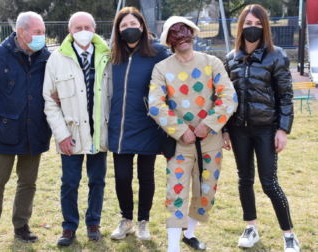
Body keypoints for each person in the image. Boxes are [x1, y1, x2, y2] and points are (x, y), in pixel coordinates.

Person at [148, 16, 237, 251]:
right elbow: (156, 104)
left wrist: (207, 124)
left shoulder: (212, 62)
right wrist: (179, 131)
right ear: (169, 40)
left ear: (193, 33)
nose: (181, 37)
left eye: (184, 31)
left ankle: (189, 232)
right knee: (175, 191)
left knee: (206, 192)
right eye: (174, 33)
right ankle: (173, 247)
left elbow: (229, 97)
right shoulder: (162, 69)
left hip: (211, 142)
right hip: (179, 145)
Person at [0, 11, 51, 251]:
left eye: (43, 32)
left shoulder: (47, 58)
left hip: (35, 132)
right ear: (22, 32)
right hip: (4, 132)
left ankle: (21, 226)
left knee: (28, 183)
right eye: (38, 32)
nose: (42, 37)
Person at [223, 4, 300, 252]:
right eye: (248, 24)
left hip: (266, 129)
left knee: (269, 183)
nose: (252, 28)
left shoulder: (276, 55)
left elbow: (285, 96)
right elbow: (224, 97)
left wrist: (283, 129)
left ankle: (288, 234)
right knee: (244, 179)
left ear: (264, 26)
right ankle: (250, 227)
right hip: (238, 130)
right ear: (241, 27)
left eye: (257, 24)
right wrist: (225, 129)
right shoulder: (230, 58)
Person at [42, 11, 111, 246]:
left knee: (97, 181)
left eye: (87, 27)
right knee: (69, 182)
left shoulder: (107, 56)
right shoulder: (57, 59)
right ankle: (69, 227)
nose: (83, 31)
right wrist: (61, 135)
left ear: (94, 28)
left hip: (99, 132)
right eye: (77, 27)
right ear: (69, 31)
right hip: (70, 134)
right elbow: (49, 101)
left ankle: (93, 222)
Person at [108, 6, 170, 241]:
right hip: (120, 126)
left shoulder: (158, 53)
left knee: (146, 176)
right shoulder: (114, 54)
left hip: (147, 125)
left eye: (133, 24)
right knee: (122, 177)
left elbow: (170, 86)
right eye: (124, 26)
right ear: (118, 30)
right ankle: (126, 220)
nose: (129, 29)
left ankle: (144, 221)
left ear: (142, 26)